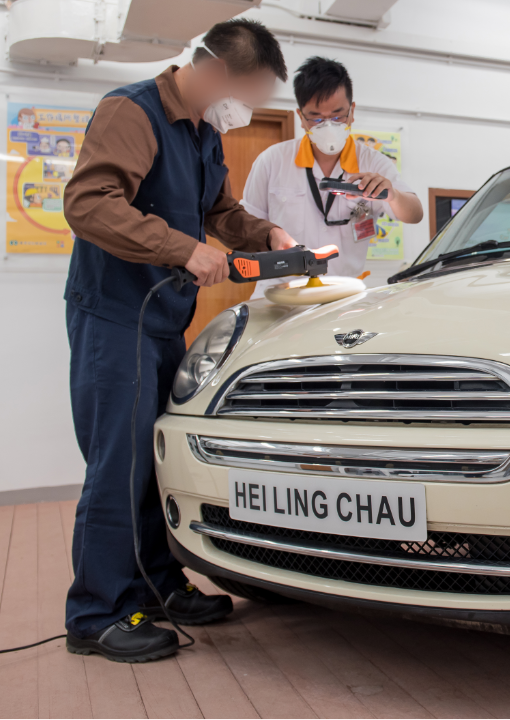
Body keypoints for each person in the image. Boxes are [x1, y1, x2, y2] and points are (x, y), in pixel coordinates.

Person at [62, 18, 298, 663]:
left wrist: (266, 235)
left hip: (163, 315)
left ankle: (159, 586)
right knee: (119, 465)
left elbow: (218, 211)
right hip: (115, 314)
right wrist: (180, 248)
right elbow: (89, 202)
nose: (246, 108)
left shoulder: (202, 131)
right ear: (218, 71)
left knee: (155, 458)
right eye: (248, 92)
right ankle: (95, 612)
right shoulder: (130, 113)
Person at [242, 56, 422, 297]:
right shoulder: (272, 161)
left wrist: (393, 194)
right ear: (300, 117)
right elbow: (247, 229)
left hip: (343, 297)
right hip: (281, 296)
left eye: (338, 116)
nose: (328, 125)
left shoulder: (373, 162)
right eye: (316, 118)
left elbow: (415, 214)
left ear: (352, 111)